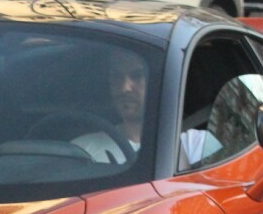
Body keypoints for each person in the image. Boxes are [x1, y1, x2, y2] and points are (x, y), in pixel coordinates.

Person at [73, 47, 222, 168]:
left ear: (158, 81)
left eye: (137, 76)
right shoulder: (83, 150)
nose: (125, 87)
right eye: (116, 76)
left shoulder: (196, 145)